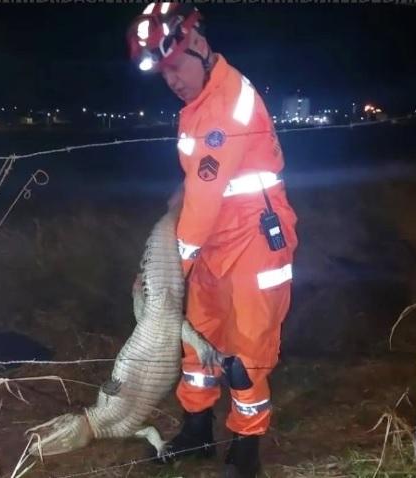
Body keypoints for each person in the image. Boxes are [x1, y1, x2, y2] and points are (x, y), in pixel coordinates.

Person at [126, 3, 299, 477]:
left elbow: (203, 197)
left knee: (248, 348)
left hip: (254, 241)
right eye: (163, 73)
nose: (172, 80)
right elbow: (193, 189)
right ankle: (197, 430)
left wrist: (168, 273)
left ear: (199, 46)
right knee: (199, 340)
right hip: (211, 242)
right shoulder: (199, 103)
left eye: (175, 66)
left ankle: (246, 447)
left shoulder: (225, 103)